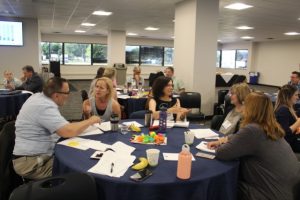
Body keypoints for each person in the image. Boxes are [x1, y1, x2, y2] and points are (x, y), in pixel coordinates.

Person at [208, 92, 300, 200]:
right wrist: (227, 139)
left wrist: (222, 144)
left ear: (251, 109)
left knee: (222, 184)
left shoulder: (252, 130)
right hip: (288, 190)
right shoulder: (272, 127)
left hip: (268, 194)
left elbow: (222, 153)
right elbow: (241, 137)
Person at [13, 77, 100, 179]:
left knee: (74, 155)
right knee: (79, 170)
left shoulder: (38, 97)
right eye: (67, 93)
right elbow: (67, 131)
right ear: (56, 95)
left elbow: (63, 126)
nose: (68, 96)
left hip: (34, 155)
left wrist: (75, 126)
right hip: (32, 163)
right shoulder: (44, 106)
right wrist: (90, 121)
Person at [274, 84, 300, 152]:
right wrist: (298, 122)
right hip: (289, 144)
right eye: (296, 95)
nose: (298, 97)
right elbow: (286, 133)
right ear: (289, 96)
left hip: (292, 141)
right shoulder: (283, 110)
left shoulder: (288, 108)